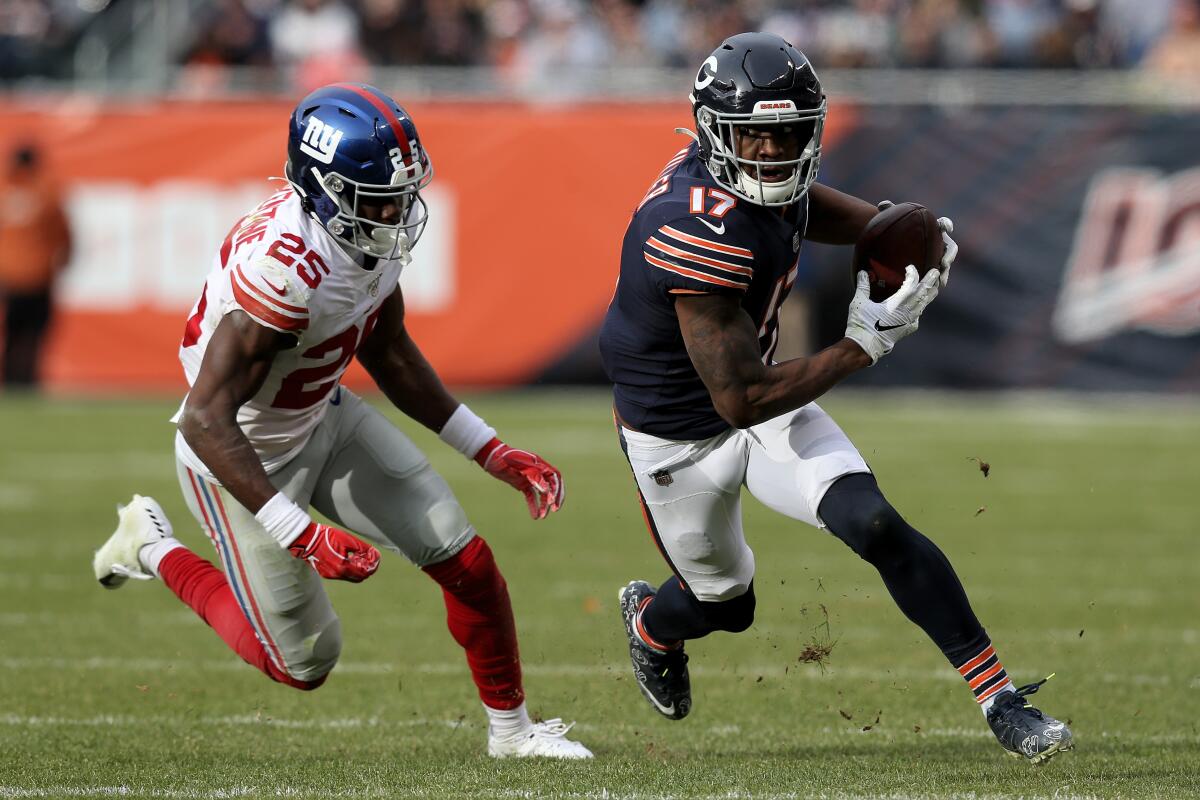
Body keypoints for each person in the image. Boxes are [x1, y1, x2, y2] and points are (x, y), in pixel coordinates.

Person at [599, 32, 1072, 765]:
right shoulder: (689, 226)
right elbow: (740, 400)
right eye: (757, 137)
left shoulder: (763, 180)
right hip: (681, 437)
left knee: (874, 522)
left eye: (791, 132)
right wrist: (862, 344)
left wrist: (888, 225)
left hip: (762, 404)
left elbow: (796, 205)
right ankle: (652, 629)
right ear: (718, 136)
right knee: (726, 606)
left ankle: (1003, 701)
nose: (776, 151)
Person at [92, 83, 591, 760]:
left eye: (403, 192)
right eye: (378, 195)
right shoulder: (285, 271)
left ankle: (513, 733)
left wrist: (489, 449)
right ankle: (150, 546)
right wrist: (301, 534)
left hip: (322, 416)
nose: (398, 210)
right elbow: (204, 419)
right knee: (303, 664)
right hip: (242, 462)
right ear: (321, 189)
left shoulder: (363, 239)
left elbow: (388, 351)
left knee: (463, 555)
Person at [0, 143, 72, 388]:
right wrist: (63, 261)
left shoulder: (5, 190)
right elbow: (63, 235)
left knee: (12, 333)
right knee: (34, 335)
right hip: (39, 276)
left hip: (8, 277)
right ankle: (26, 380)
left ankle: (10, 380)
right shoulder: (47, 192)